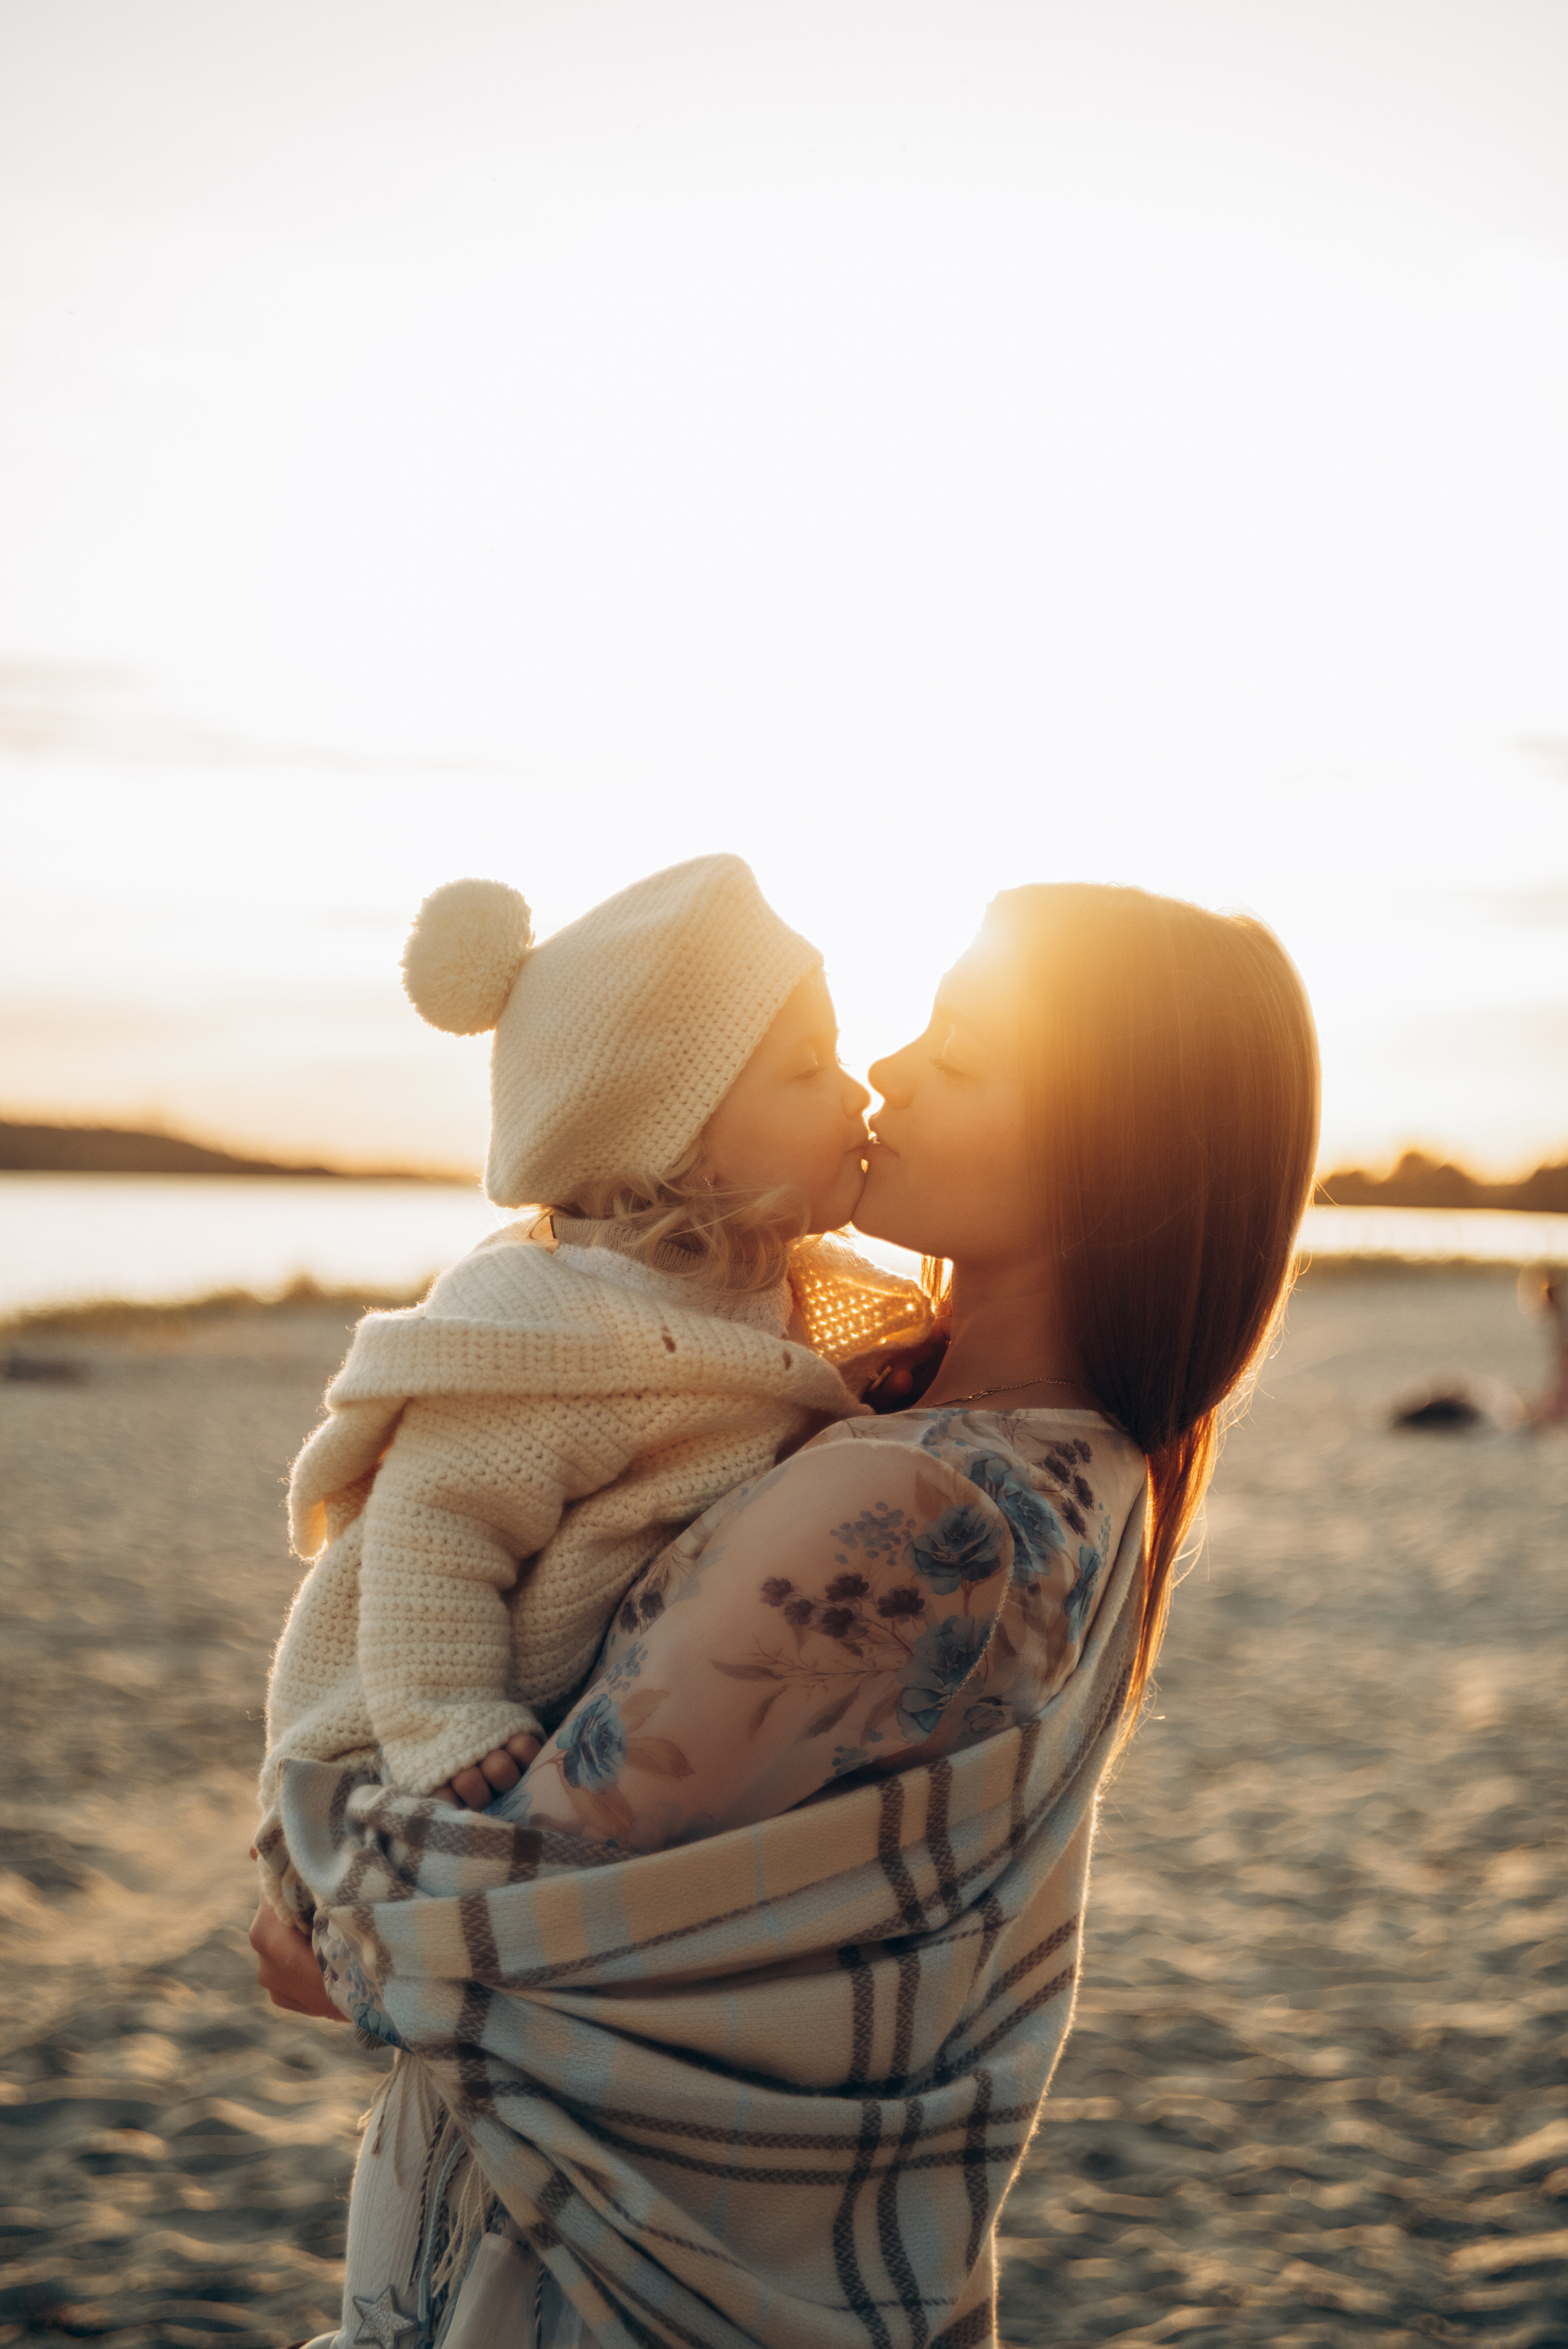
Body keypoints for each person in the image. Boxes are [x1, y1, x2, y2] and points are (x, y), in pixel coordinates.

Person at [252, 879, 1320, 2349]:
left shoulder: (915, 1511)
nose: (887, 1071)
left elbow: (486, 1912)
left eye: (956, 1052)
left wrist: (330, 1917)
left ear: (1101, 1152)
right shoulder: (1084, 1457)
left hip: (593, 2278)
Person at [257, 853, 927, 1918]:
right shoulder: (555, 1328)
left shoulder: (763, 1282)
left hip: (566, 1722)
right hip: (388, 1738)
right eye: (809, 1069)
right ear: (679, 1143)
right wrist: (447, 1718)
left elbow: (816, 1362)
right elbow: (435, 1530)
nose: (858, 1092)